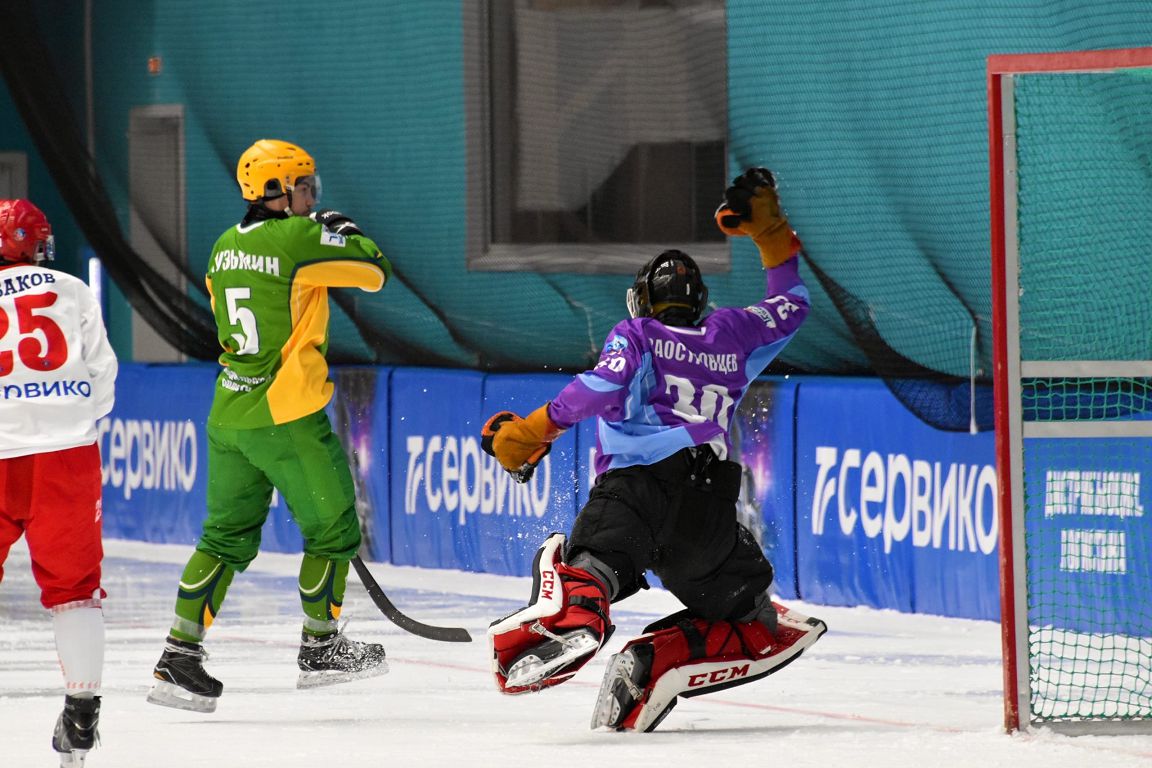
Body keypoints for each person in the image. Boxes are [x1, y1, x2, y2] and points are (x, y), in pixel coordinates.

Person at [480, 168, 827, 732]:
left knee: (592, 571)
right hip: (709, 509)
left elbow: (602, 386)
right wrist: (770, 235)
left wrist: (535, 430)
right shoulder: (731, 334)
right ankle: (655, 663)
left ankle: (574, 618)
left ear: (642, 300)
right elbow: (792, 303)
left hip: (638, 487)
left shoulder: (637, 333)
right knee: (754, 620)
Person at [147, 139, 392, 713]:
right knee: (333, 529)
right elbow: (374, 272)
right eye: (305, 186)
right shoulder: (298, 238)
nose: (311, 196)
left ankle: (179, 655)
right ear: (278, 191)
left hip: (230, 412)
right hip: (287, 415)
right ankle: (322, 647)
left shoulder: (223, 246)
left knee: (223, 538)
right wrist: (347, 232)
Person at [0, 199, 118, 765]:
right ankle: (82, 714)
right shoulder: (72, 289)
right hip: (66, 456)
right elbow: (104, 376)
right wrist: (69, 422)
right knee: (75, 592)